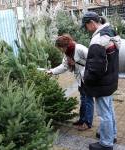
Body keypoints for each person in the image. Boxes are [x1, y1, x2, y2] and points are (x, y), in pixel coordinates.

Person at [81, 11, 119, 150]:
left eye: (86, 26)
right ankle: (112, 135)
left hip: (102, 83)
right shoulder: (110, 32)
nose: (86, 29)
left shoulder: (98, 39)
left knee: (104, 114)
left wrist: (87, 80)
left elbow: (95, 68)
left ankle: (106, 143)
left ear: (91, 23)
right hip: (110, 80)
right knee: (109, 110)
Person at [46, 34, 94, 131]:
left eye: (60, 48)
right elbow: (64, 66)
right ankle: (82, 119)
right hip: (81, 79)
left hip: (88, 77)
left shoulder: (79, 48)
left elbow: (93, 60)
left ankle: (87, 123)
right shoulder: (67, 54)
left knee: (88, 100)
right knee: (83, 99)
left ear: (65, 46)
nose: (60, 50)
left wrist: (77, 62)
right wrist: (52, 71)